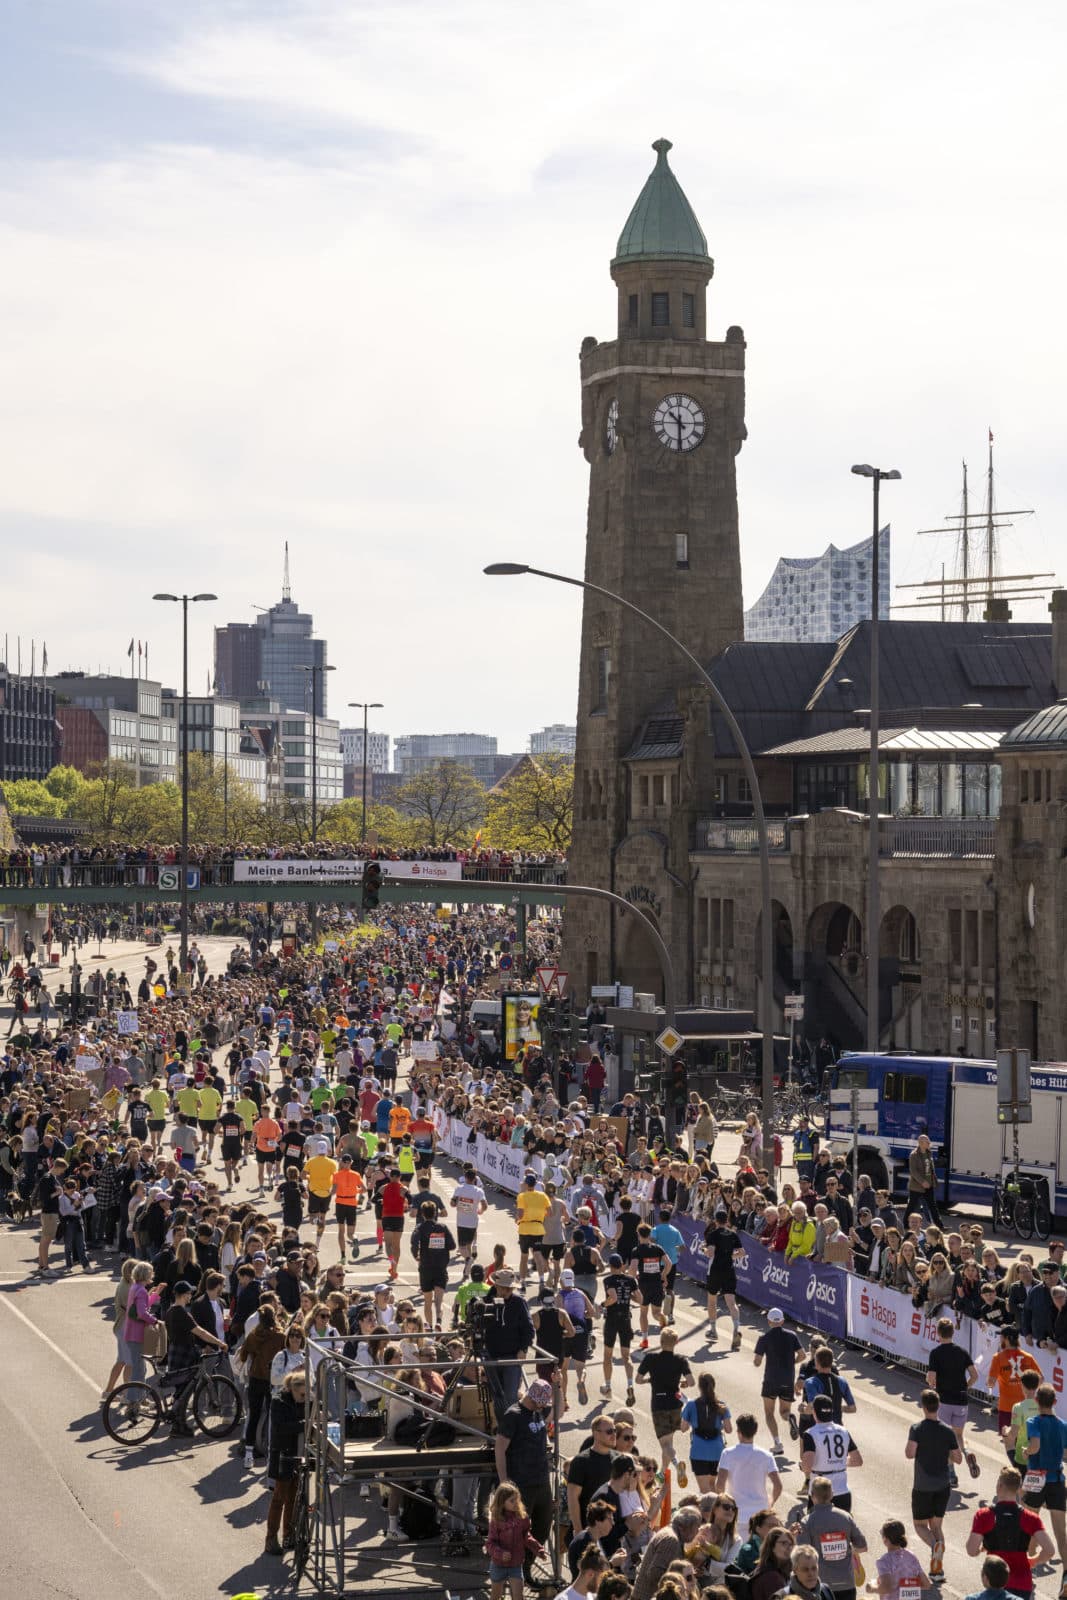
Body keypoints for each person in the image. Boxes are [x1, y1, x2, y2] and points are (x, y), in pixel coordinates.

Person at [494, 1380, 555, 1571]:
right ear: (532, 1398)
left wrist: (559, 1386)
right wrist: (504, 1482)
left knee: (543, 1526)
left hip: (541, 1480)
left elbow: (558, 1412)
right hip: (521, 1483)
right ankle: (517, 1572)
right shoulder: (513, 1415)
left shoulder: (538, 1412)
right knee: (518, 1530)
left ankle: (526, 1567)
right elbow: (500, 1449)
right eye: (541, 1403)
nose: (543, 1407)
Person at [965, 1468, 1052, 1600]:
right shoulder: (1030, 1518)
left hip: (995, 1581)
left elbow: (971, 1550)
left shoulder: (984, 1515)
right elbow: (1049, 1550)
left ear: (999, 1485)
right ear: (1018, 1489)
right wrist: (1032, 1561)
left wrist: (980, 1550)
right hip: (1022, 1582)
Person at [906, 1387, 962, 1582]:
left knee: (920, 1525)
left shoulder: (917, 1429)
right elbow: (958, 1458)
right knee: (937, 1526)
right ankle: (937, 1570)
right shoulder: (947, 1431)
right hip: (942, 1486)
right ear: (938, 1407)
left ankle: (934, 1547)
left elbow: (910, 1453)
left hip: (923, 1486)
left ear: (923, 1406)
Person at [635, 1327, 694, 1482]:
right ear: (676, 1342)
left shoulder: (650, 1358)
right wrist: (683, 1383)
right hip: (675, 1404)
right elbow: (691, 1382)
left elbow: (638, 1380)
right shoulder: (681, 1360)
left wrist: (649, 1380)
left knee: (665, 1444)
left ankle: (677, 1465)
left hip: (659, 1404)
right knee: (669, 1441)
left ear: (661, 1342)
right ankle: (662, 1473)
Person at [1024, 1383, 1067, 1585]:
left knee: (1030, 1525)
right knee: (1061, 1533)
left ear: (1036, 1401)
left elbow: (1035, 1446)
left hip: (1036, 1477)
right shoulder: (1063, 1425)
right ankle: (1066, 1576)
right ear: (1055, 1402)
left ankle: (1028, 1570)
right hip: (1056, 1479)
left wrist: (1026, 1452)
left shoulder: (1033, 1421)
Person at [926, 1316, 979, 1479]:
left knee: (945, 1439)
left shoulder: (936, 1353)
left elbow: (931, 1377)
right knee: (959, 1435)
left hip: (944, 1400)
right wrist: (965, 1387)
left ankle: (951, 1474)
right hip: (961, 1400)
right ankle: (967, 1452)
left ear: (938, 1333)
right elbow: (974, 1375)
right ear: (952, 1333)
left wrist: (931, 1384)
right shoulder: (962, 1352)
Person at [798, 1477, 867, 1600]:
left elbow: (802, 1555)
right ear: (832, 1495)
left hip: (820, 1585)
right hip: (846, 1583)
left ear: (812, 1496)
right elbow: (863, 1547)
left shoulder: (807, 1522)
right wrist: (846, 1549)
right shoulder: (845, 1517)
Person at [715, 1413, 782, 1539]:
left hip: (736, 1514)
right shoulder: (766, 1456)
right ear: (755, 1432)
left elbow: (719, 1485)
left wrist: (724, 1506)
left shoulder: (728, 1453)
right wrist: (770, 1502)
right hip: (761, 1515)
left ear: (738, 1432)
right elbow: (778, 1485)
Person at [484, 1268, 536, 1422]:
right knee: (495, 1395)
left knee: (511, 1396)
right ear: (496, 1286)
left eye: (510, 1288)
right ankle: (500, 1426)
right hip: (491, 1355)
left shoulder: (519, 1302)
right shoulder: (486, 1301)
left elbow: (529, 1329)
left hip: (512, 1356)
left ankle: (510, 1428)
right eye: (504, 1288)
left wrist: (523, 1349)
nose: (507, 1291)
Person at [264, 1368, 306, 1555]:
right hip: (283, 1454)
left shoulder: (305, 1401)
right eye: (302, 1394)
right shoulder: (278, 1401)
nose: (305, 1398)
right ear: (292, 1389)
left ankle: (289, 1535)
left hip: (298, 1454)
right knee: (279, 1498)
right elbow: (281, 1428)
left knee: (293, 1498)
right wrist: (305, 1424)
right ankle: (271, 1538)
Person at [799, 1395, 862, 1511]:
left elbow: (807, 1466)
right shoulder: (843, 1431)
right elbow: (857, 1460)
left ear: (814, 1412)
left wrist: (802, 1465)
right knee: (842, 1522)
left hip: (819, 1492)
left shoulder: (810, 1433)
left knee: (815, 1522)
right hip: (842, 1491)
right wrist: (837, 1462)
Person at [754, 1307, 803, 1453]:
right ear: (782, 1321)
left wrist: (758, 1359)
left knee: (769, 1413)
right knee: (784, 1412)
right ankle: (790, 1418)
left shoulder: (764, 1338)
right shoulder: (792, 1336)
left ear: (769, 1321)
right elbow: (802, 1355)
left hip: (771, 1380)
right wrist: (792, 1363)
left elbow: (757, 1362)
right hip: (787, 1380)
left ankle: (778, 1444)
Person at [488, 1481, 546, 1600]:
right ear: (502, 1502)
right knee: (495, 1596)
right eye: (512, 1501)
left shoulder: (522, 1517)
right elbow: (490, 1543)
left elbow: (527, 1536)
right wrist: (500, 1553)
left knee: (518, 1596)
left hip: (516, 1564)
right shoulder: (496, 1520)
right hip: (498, 1564)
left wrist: (538, 1549)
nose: (516, 1503)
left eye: (517, 1499)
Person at [631, 1507, 703, 1600]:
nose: (698, 1530)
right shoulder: (671, 1540)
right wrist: (682, 1579)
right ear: (682, 1526)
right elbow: (654, 1573)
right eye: (696, 1526)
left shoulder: (669, 1534)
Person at [680, 1372, 733, 1492]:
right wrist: (719, 1427)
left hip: (698, 1451)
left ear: (699, 1387)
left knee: (704, 1491)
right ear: (713, 1385)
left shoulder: (691, 1405)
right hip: (717, 1452)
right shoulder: (721, 1406)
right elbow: (729, 1429)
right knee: (712, 1486)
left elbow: (683, 1428)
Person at [601, 1253, 641, 1406]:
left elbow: (613, 1298)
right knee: (626, 1357)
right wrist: (629, 1296)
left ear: (611, 1266)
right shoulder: (631, 1280)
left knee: (608, 1355)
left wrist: (603, 1304)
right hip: (625, 1319)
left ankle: (608, 1386)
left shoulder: (608, 1280)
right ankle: (630, 1384)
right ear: (622, 1265)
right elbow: (640, 1299)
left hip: (612, 1320)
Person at [410, 1200, 456, 1331]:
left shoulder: (420, 1228)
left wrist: (416, 1256)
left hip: (425, 1268)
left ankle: (429, 1326)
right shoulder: (442, 1228)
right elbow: (453, 1246)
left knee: (427, 1300)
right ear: (435, 1213)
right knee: (439, 1300)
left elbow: (414, 1244)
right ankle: (439, 1321)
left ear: (422, 1214)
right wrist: (441, 1246)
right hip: (440, 1268)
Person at [703, 1208, 744, 1351]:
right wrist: (730, 1257)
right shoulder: (733, 1234)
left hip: (715, 1270)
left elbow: (710, 1253)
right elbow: (742, 1252)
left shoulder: (712, 1234)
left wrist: (704, 1250)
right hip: (729, 1270)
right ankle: (736, 1328)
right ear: (727, 1221)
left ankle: (713, 1330)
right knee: (731, 1302)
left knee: (712, 1300)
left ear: (715, 1221)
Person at [872, 1519, 930, 1598]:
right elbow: (926, 1584)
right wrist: (907, 1588)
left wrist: (871, 1587)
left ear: (885, 1540)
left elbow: (886, 1588)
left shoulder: (883, 1561)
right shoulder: (911, 1556)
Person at [517, 1173, 552, 1289]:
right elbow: (550, 1213)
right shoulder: (543, 1196)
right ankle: (541, 1280)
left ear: (526, 1184)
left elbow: (520, 1214)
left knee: (524, 1256)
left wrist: (518, 1218)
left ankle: (522, 1282)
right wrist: (540, 1214)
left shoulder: (522, 1196)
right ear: (535, 1184)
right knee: (537, 1255)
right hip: (538, 1228)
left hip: (524, 1228)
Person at [751, 1527, 795, 1600]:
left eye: (791, 1544)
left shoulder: (767, 1569)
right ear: (772, 1547)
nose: (789, 1547)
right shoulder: (772, 1577)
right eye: (784, 1543)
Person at [907, 1134, 941, 1227]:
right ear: (921, 1143)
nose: (929, 1143)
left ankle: (938, 1225)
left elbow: (930, 1170)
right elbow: (913, 1171)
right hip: (917, 1186)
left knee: (932, 1206)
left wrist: (933, 1181)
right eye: (927, 1142)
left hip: (928, 1185)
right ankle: (907, 1224)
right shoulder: (914, 1155)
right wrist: (922, 1182)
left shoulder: (929, 1153)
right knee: (912, 1206)